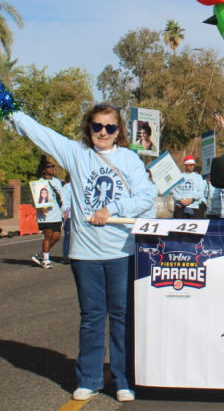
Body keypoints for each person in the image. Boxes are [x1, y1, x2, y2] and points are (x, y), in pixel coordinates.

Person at [10, 102, 158, 402]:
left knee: (122, 317)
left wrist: (113, 208)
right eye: (97, 126)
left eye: (110, 127)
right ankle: (89, 378)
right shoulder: (76, 154)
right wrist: (8, 108)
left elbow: (147, 195)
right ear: (88, 128)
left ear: (118, 132)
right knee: (91, 318)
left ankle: (124, 380)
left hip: (122, 251)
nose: (103, 132)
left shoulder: (129, 159)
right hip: (84, 254)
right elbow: (38, 132)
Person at [31, 161, 64, 269]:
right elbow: (34, 200)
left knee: (56, 237)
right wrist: (40, 207)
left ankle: (40, 255)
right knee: (48, 236)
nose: (51, 168)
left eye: (52, 166)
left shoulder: (57, 181)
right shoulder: (39, 183)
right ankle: (46, 260)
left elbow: (61, 197)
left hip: (56, 214)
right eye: (48, 167)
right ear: (44, 169)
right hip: (45, 216)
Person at [61, 173, 74, 264]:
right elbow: (64, 200)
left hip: (78, 215)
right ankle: (66, 255)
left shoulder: (80, 186)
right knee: (68, 235)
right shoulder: (67, 187)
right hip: (69, 214)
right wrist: (66, 212)